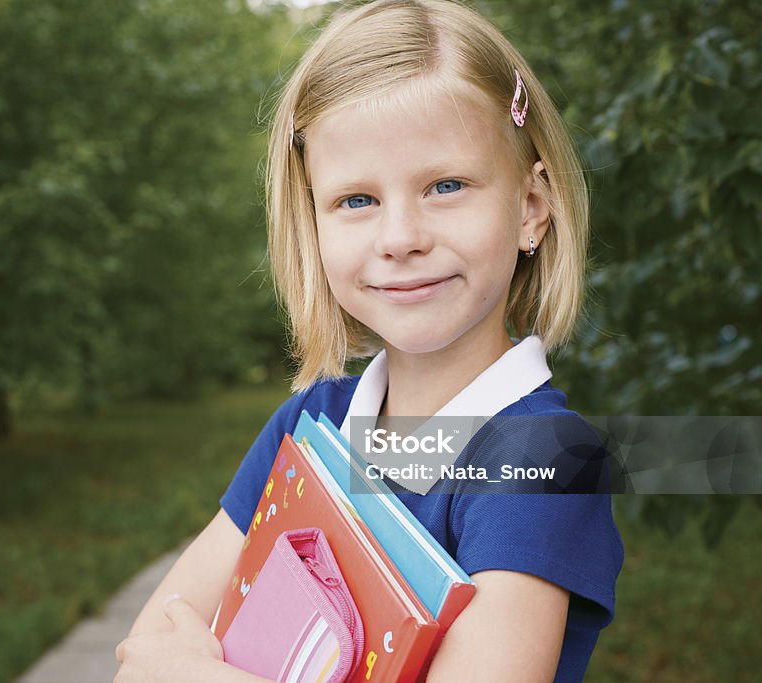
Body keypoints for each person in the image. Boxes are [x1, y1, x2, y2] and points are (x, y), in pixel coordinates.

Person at [115, 1, 623, 681]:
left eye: (446, 185)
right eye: (357, 200)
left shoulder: (542, 463)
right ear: (313, 223)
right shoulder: (307, 425)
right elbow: (145, 653)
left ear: (532, 207)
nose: (399, 238)